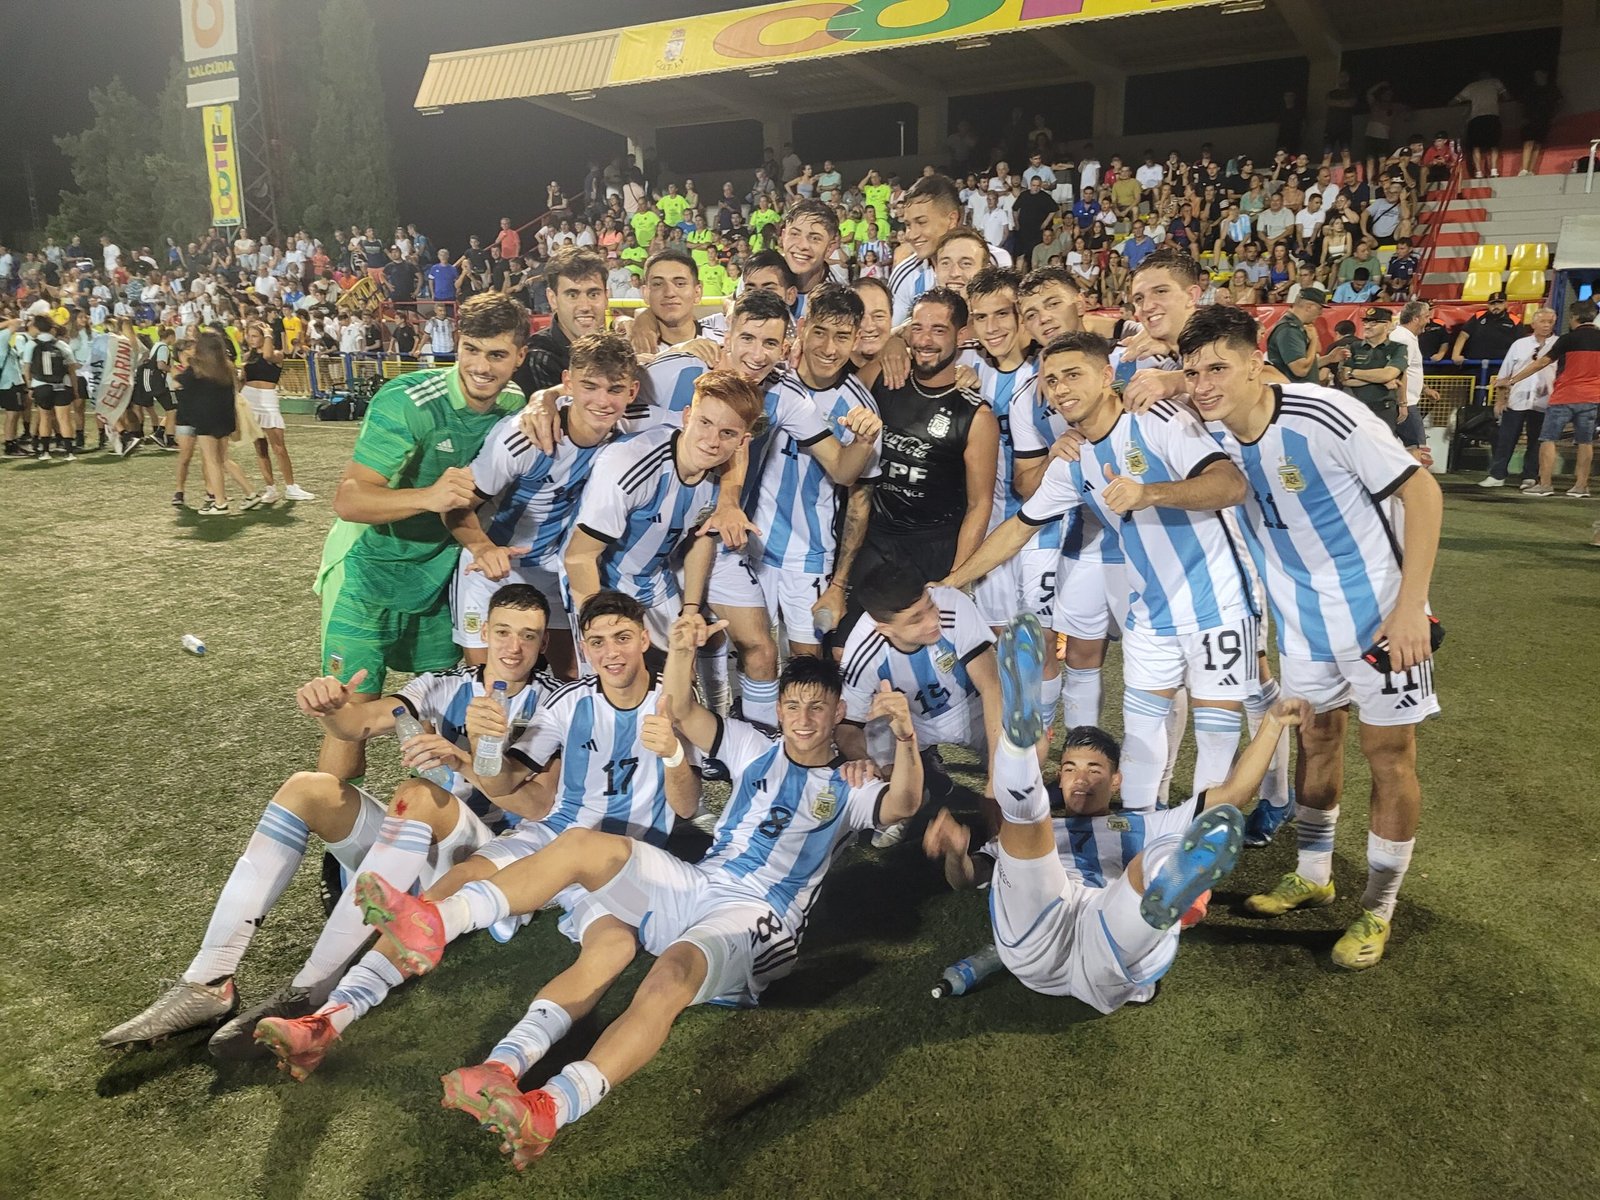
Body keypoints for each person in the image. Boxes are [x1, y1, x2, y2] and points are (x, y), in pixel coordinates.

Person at [346, 618, 921, 1169]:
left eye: (816, 708)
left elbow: (903, 806)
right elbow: (684, 709)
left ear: (838, 713)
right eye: (792, 705)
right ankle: (437, 926)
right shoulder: (753, 746)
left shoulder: (853, 784)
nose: (802, 718)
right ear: (780, 707)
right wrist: (682, 650)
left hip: (761, 916)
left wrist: (904, 741)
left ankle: (552, 1107)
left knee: (667, 975)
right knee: (580, 844)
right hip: (698, 884)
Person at [252, 591, 702, 1082]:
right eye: (597, 642)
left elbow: (687, 807)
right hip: (551, 835)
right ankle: (327, 1020)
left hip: (623, 858)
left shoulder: (674, 705)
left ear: (643, 639)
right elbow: (516, 788)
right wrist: (475, 753)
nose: (610, 653)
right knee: (449, 887)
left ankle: (508, 1069)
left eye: (622, 638)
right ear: (584, 647)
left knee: (613, 950)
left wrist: (675, 754)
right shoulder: (567, 704)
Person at [100, 584, 558, 1053]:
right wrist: (331, 710)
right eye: (502, 631)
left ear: (544, 644)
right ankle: (209, 980)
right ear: (483, 631)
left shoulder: (556, 703)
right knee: (308, 788)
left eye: (528, 635)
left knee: (418, 794)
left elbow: (529, 800)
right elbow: (361, 723)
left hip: (487, 861)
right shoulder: (443, 682)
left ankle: (314, 986)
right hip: (417, 847)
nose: (513, 647)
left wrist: (464, 758)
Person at [1176, 305, 1443, 969]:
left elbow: (1423, 494)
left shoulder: (1326, 414)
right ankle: (1315, 873)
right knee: (1317, 739)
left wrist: (1412, 607)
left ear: (1256, 365)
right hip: (1298, 621)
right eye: (1192, 371)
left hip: (1379, 614)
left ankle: (1378, 906)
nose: (1203, 383)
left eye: (1218, 367)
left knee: (1388, 754)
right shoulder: (1208, 437)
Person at [950, 329, 1256, 814]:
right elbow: (1019, 527)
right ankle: (1138, 841)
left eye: (1073, 375)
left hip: (1215, 602)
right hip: (1150, 611)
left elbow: (1229, 483)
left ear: (1107, 376)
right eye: (1052, 381)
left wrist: (1150, 493)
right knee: (1140, 735)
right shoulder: (1077, 459)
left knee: (1215, 738)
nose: (1062, 388)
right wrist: (951, 584)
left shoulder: (1157, 418)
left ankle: (1195, 866)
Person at [938, 614, 1292, 1009]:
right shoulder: (1048, 830)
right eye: (1070, 769)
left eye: (1094, 770)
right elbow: (967, 880)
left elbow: (1233, 795)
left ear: (1116, 780)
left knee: (1148, 862)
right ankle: (1021, 738)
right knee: (1026, 826)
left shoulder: (1145, 823)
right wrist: (956, 855)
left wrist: (1273, 723)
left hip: (1106, 939)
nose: (1080, 779)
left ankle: (1167, 878)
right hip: (1039, 934)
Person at [314, 294, 531, 785]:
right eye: (471, 349)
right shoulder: (407, 400)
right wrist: (429, 496)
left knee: (432, 715)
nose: (480, 366)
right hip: (370, 575)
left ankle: (426, 842)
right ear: (457, 343)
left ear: (520, 356)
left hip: (439, 581)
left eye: (497, 354)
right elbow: (349, 499)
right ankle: (336, 849)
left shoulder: (515, 405)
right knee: (351, 715)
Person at [448, 333, 637, 679]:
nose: (602, 401)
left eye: (614, 390)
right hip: (493, 571)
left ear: (632, 392)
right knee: (484, 683)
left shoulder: (628, 432)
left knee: (574, 677)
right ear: (567, 382)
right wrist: (482, 547)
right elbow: (456, 506)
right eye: (589, 386)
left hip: (553, 571)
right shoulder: (524, 437)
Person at [563, 369, 762, 647]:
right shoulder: (628, 465)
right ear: (686, 416)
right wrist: (600, 628)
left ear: (741, 442)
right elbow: (578, 557)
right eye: (704, 422)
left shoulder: (719, 472)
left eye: (727, 433)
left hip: (653, 579)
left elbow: (700, 535)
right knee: (615, 674)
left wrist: (691, 611)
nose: (712, 441)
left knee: (681, 668)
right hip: (600, 583)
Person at [852, 287, 998, 611]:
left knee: (929, 651)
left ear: (961, 336)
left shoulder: (977, 416)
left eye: (938, 330)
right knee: (844, 649)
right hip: (873, 540)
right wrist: (893, 339)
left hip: (933, 549)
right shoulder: (883, 376)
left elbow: (979, 505)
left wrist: (957, 579)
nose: (924, 340)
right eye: (917, 328)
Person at [836, 564, 1002, 838]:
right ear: (885, 629)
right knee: (873, 730)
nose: (931, 621)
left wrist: (998, 782)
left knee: (1025, 757)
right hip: (909, 725)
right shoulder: (862, 650)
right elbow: (848, 727)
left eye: (929, 606)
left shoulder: (953, 605)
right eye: (915, 619)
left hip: (972, 708)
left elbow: (992, 689)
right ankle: (912, 794)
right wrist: (871, 769)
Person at [1497, 300, 1599, 498]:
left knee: (1548, 439)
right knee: (1585, 442)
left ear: (1574, 318)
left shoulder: (1567, 340)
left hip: (1564, 396)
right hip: (1592, 397)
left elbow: (1541, 363)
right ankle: (1581, 486)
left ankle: (1545, 484)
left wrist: (1514, 379)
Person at [511, 248, 608, 397]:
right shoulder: (537, 357)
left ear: (606, 296)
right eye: (572, 295)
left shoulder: (620, 345)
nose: (585, 306)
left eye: (593, 294)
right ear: (552, 299)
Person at [1481, 307, 1557, 489]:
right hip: (1517, 399)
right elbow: (1504, 374)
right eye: (1543, 321)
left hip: (1544, 401)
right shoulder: (1519, 344)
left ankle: (1530, 476)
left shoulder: (1559, 344)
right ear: (1533, 323)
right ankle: (1497, 474)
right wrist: (1500, 400)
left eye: (1550, 322)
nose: (1546, 325)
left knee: (1536, 441)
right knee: (1506, 438)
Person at [239, 320, 312, 504]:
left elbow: (268, 355)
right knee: (260, 447)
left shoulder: (277, 354)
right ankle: (270, 489)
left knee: (279, 447)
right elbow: (242, 381)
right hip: (250, 399)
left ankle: (291, 487)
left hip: (268, 400)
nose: (250, 339)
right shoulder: (247, 356)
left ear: (265, 337)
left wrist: (269, 333)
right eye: (249, 335)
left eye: (255, 335)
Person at [889, 174, 964, 324]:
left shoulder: (995, 262)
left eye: (922, 222)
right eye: (908, 225)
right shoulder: (904, 275)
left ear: (951, 220)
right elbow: (891, 341)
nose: (911, 235)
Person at [1339, 307, 1409, 439]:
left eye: (1373, 323)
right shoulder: (1353, 347)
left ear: (1387, 325)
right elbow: (1344, 378)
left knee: (1383, 452)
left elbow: (1388, 374)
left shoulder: (1398, 348)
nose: (1367, 326)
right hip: (1355, 411)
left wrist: (1353, 373)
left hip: (1384, 411)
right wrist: (1381, 381)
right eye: (1365, 322)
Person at [21, 314, 76, 461]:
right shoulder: (61, 344)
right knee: (64, 419)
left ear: (38, 328)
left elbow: (27, 368)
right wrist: (74, 389)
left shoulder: (31, 344)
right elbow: (72, 369)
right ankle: (69, 452)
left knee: (45, 418)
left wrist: (30, 387)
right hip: (61, 385)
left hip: (41, 385)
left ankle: (45, 452)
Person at [1267, 287, 1345, 384]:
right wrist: (1313, 341)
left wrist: (1329, 358)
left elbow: (1306, 364)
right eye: (1319, 308)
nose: (1321, 313)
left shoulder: (1296, 327)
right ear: (1308, 307)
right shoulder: (1289, 330)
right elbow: (1300, 370)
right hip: (1296, 394)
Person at [1452, 69, 1510, 178]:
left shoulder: (1472, 86)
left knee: (1476, 146)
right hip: (1492, 116)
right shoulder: (1495, 82)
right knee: (1494, 145)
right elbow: (1506, 96)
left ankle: (1478, 172)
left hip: (1476, 118)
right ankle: (1493, 170)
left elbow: (1455, 100)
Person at [1450, 292, 1523, 364]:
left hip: (1501, 365)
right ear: (1488, 305)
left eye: (1500, 303)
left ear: (1506, 304)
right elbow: (1463, 335)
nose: (1496, 306)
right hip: (1474, 364)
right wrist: (1455, 355)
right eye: (1492, 303)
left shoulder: (1515, 321)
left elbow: (1521, 343)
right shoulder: (1478, 316)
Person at [1519, 69, 1562, 177]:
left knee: (1538, 144)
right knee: (1528, 142)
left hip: (1544, 119)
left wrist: (1553, 116)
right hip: (1530, 119)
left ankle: (1531, 170)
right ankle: (1524, 169)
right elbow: (1523, 105)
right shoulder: (1529, 90)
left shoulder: (1551, 89)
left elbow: (1558, 103)